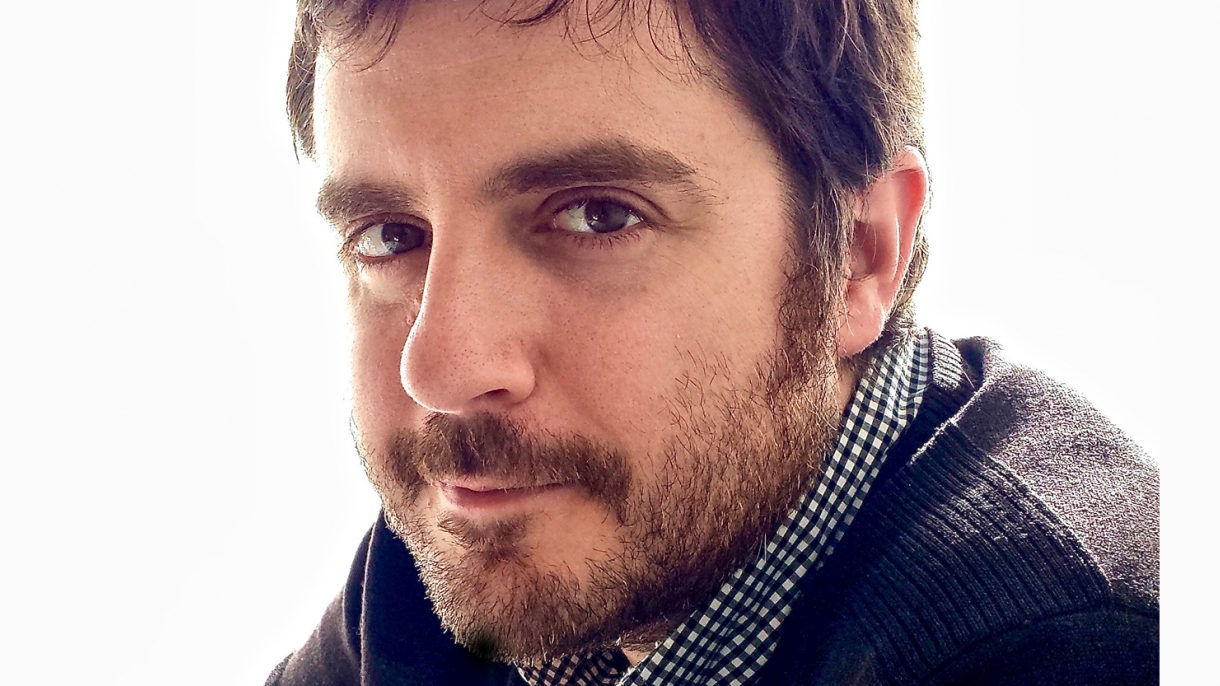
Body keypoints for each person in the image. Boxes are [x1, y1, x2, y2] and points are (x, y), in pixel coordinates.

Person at [265, 0, 1159, 684]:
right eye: (388, 236)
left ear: (860, 254)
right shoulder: (472, 536)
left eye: (597, 215)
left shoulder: (1085, 648)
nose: (441, 372)